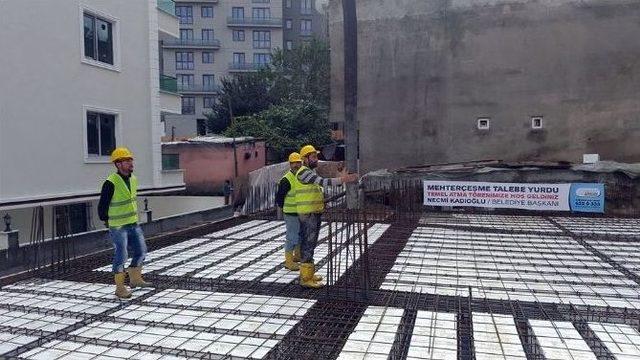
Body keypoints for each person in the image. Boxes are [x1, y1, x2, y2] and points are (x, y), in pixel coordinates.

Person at [296, 145, 358, 288]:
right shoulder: (303, 172)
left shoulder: (311, 172)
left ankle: (309, 273)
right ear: (305, 159)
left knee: (310, 244)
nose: (316, 159)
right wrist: (344, 179)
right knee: (308, 244)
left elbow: (323, 187)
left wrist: (339, 178)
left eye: (316, 156)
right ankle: (305, 278)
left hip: (313, 212)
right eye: (313, 157)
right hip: (307, 214)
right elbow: (323, 182)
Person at [98, 147, 152, 299]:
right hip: (118, 226)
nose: (130, 163)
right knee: (121, 255)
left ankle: (135, 280)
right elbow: (102, 205)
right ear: (118, 164)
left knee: (141, 251)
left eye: (130, 160)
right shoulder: (111, 182)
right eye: (126, 161)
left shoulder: (133, 179)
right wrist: (106, 221)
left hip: (133, 223)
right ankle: (120, 288)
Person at [275, 152, 305, 271]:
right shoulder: (286, 180)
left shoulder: (301, 177)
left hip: (300, 212)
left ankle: (297, 256)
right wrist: (282, 209)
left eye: (299, 162)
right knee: (292, 236)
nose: (297, 165)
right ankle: (288, 261)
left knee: (300, 235)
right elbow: (279, 197)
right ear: (290, 164)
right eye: (294, 163)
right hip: (291, 213)